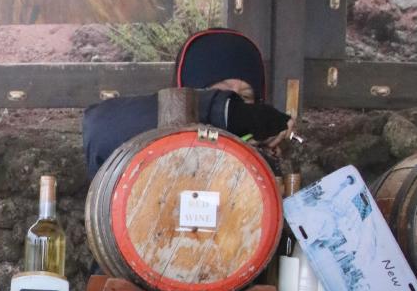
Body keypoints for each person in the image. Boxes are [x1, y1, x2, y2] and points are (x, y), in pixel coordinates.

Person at [83, 29, 293, 179]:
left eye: (246, 97)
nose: (236, 101)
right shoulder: (144, 125)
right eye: (220, 92)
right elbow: (101, 127)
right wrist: (228, 112)